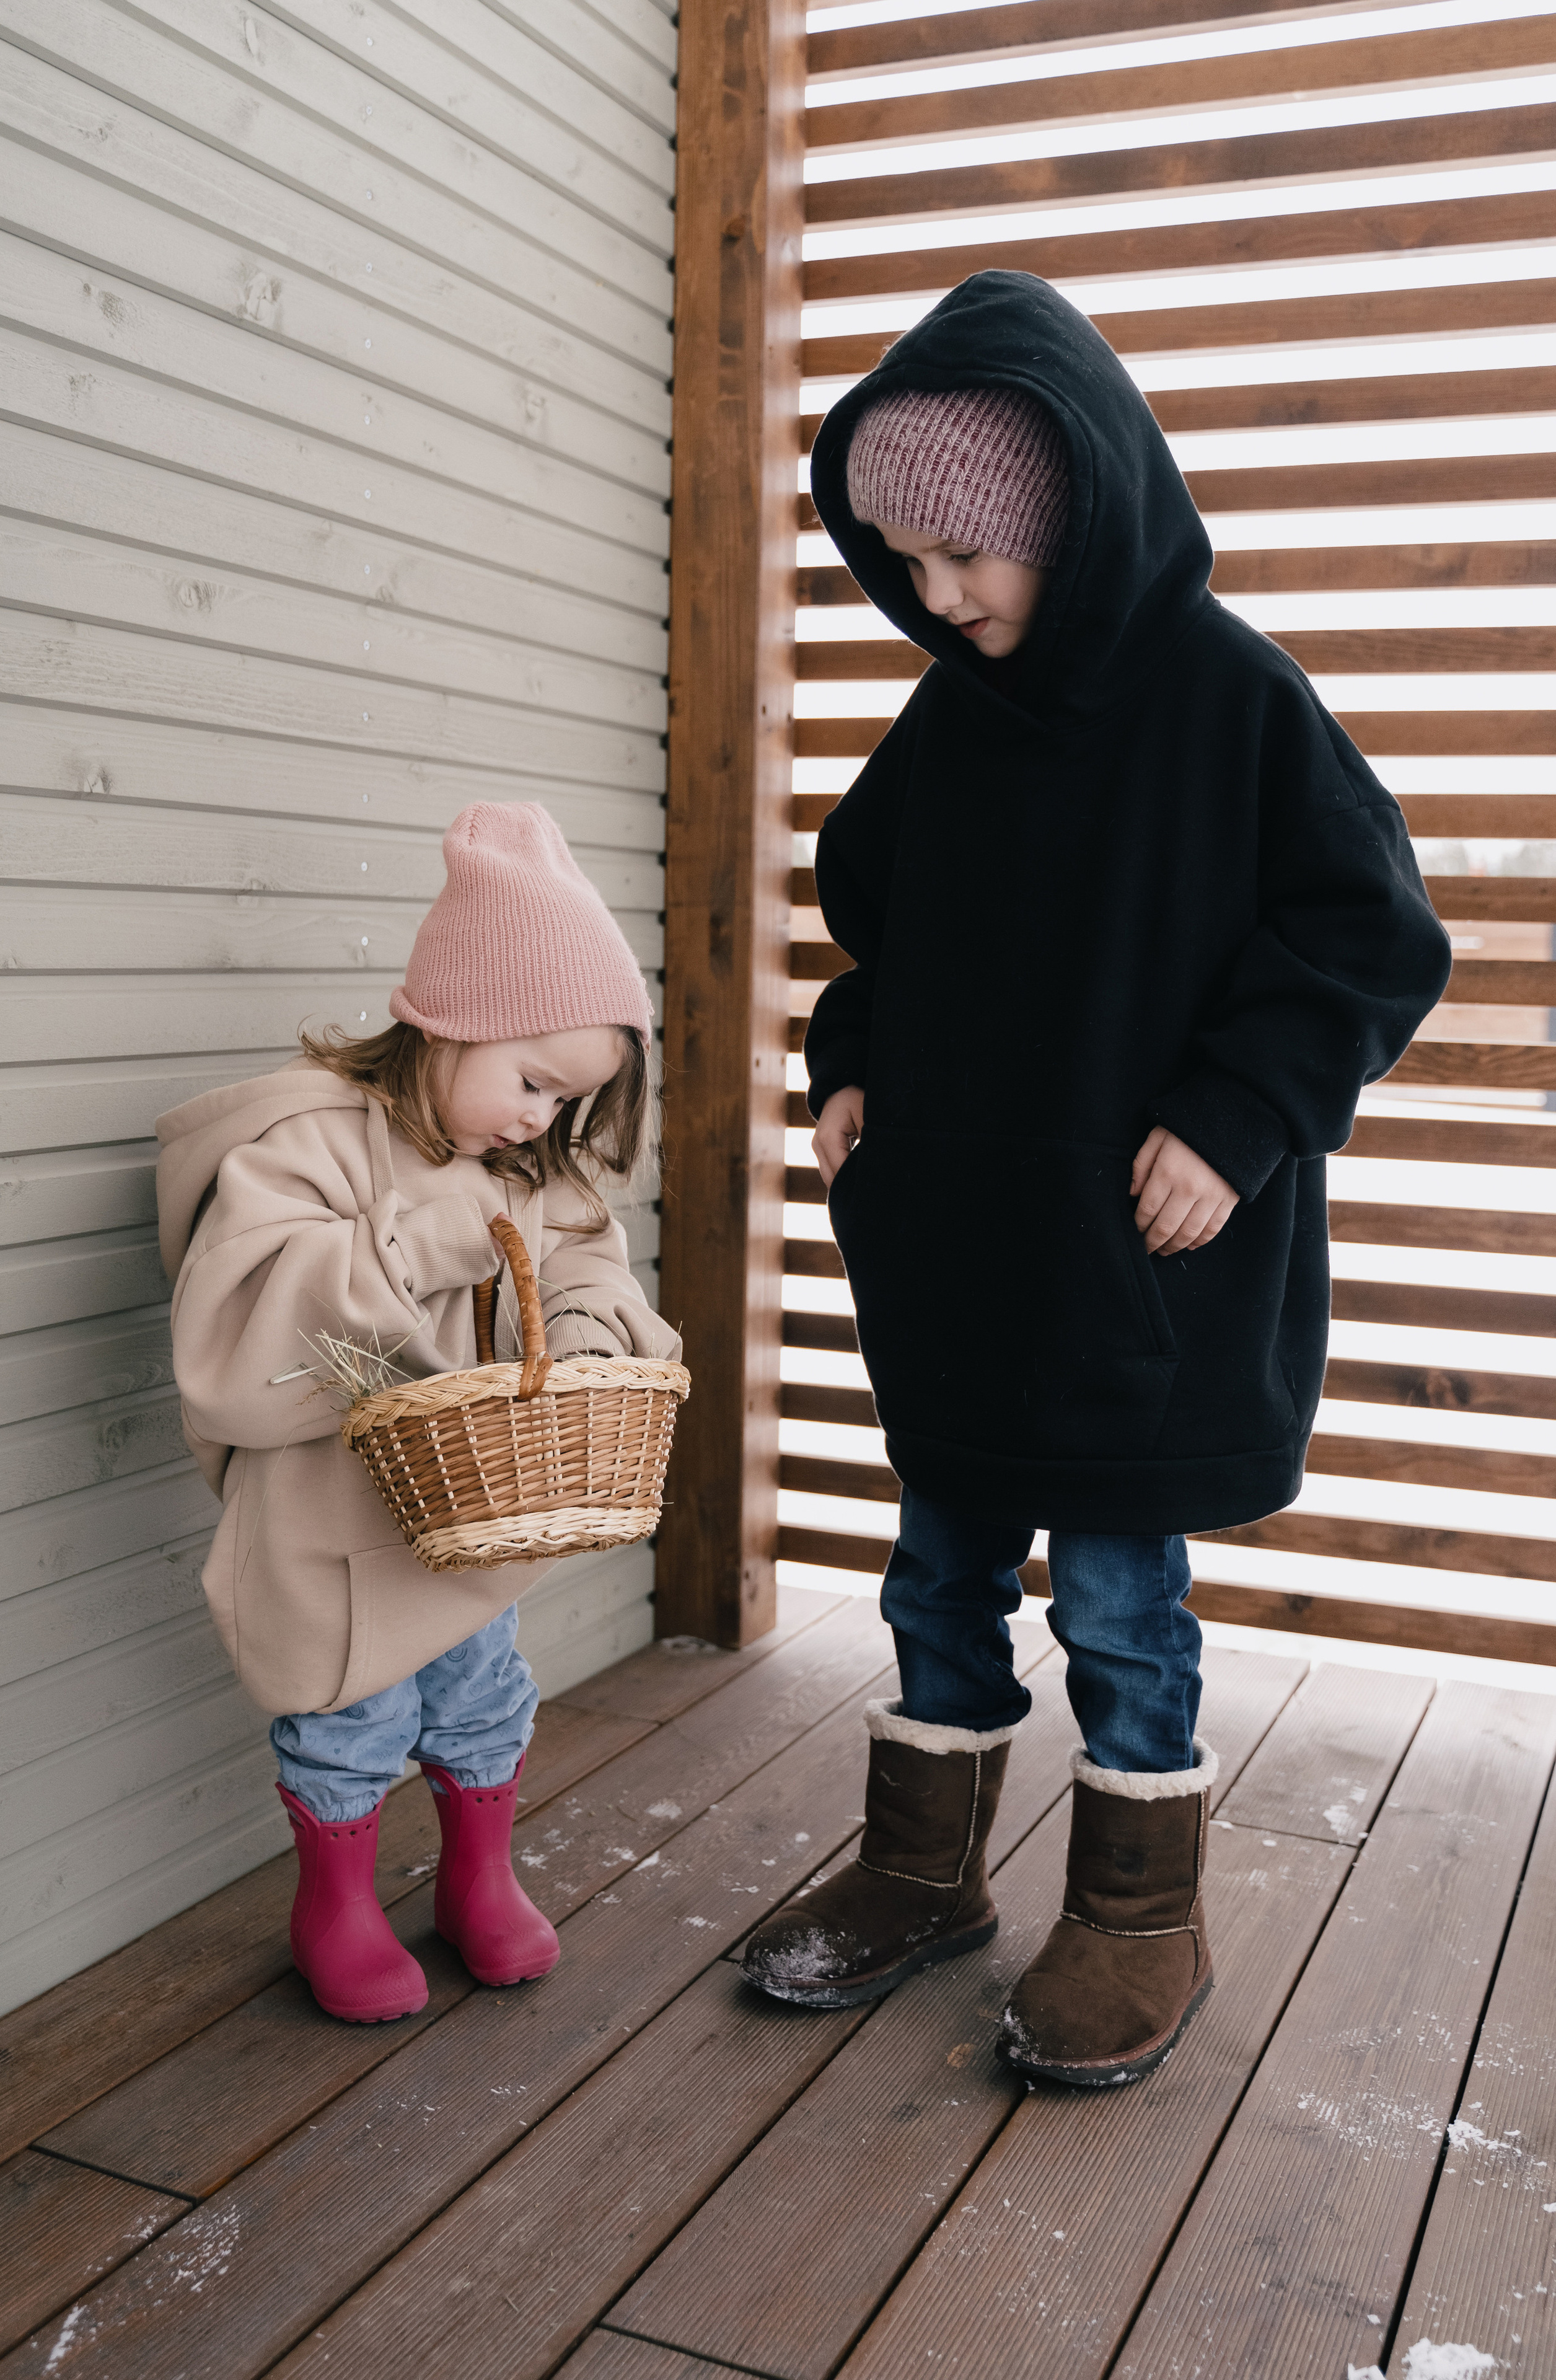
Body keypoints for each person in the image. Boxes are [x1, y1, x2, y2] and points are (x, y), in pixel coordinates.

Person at [742, 270, 1450, 2086]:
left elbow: (1369, 937)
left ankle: (1141, 1916)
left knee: (1122, 1603)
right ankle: (924, 1871)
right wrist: (856, 1066)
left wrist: (1240, 1117)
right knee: (934, 1578)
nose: (935, 595)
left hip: (1140, 1256)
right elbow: (876, 933)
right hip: (969, 1256)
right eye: (900, 561)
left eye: (965, 556)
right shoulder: (947, 725)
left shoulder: (1231, 703)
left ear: (1068, 514)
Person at [157, 804, 681, 2024]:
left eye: (564, 1100)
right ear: (449, 1021)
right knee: (348, 1713)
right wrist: (432, 1233)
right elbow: (244, 1309)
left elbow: (590, 1267)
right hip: (327, 1518)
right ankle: (333, 1908)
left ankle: (476, 1880)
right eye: (530, 1080)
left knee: (481, 1691)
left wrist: (597, 1333)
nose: (537, 1119)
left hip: (466, 1519)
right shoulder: (312, 1142)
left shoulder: (523, 1169)